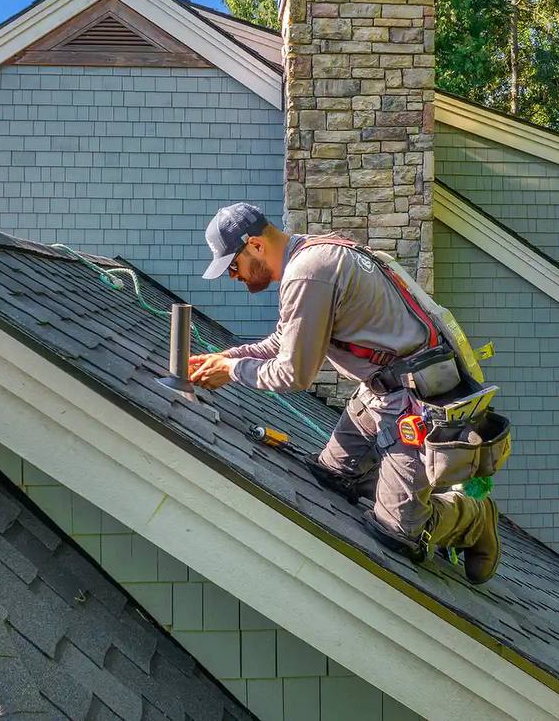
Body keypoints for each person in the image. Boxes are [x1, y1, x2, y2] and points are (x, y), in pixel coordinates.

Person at [189, 202, 500, 582]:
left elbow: (293, 373)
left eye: (232, 266)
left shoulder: (308, 274)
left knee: (398, 533)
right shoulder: (311, 255)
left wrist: (233, 371)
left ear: (254, 245)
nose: (233, 277)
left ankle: (472, 519)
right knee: (333, 477)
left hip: (414, 404)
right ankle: (397, 487)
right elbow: (284, 341)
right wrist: (226, 356)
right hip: (380, 393)